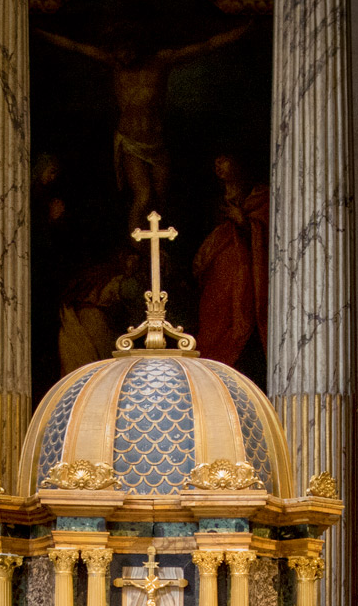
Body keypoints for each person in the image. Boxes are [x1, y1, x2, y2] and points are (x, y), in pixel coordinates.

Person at [35, 21, 255, 230]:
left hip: (156, 144)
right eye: (119, 50)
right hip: (131, 143)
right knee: (143, 196)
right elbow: (75, 47)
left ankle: (157, 254)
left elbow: (206, 46)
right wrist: (39, 33)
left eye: (128, 49)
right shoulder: (114, 64)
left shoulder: (160, 61)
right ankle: (136, 250)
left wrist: (243, 31)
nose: (124, 56)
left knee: (160, 198)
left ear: (137, 45)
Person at [192, 154, 269, 368]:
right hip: (217, 277)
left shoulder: (259, 196)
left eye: (224, 159)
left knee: (240, 326)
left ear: (239, 163)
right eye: (215, 160)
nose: (218, 164)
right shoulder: (213, 199)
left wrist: (244, 222)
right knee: (214, 325)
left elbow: (268, 239)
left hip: (246, 277)